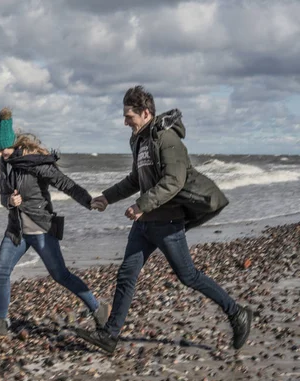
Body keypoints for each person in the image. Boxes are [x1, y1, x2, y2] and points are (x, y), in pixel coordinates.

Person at [76, 86, 252, 354]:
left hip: (167, 221)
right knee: (126, 274)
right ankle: (110, 335)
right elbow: (137, 179)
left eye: (129, 116)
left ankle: (237, 313)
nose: (125, 122)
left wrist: (141, 205)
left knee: (188, 276)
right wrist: (107, 198)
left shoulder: (167, 139)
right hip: (144, 223)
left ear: (146, 113)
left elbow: (174, 181)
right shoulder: (138, 141)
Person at [0, 107, 110, 342]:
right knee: (1, 269)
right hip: (17, 229)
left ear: (13, 144)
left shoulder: (37, 163)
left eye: (2, 149)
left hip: (41, 229)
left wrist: (88, 200)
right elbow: (2, 195)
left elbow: (64, 183)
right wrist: (9, 201)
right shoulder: (5, 165)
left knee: (60, 275)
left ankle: (98, 308)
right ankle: (0, 323)